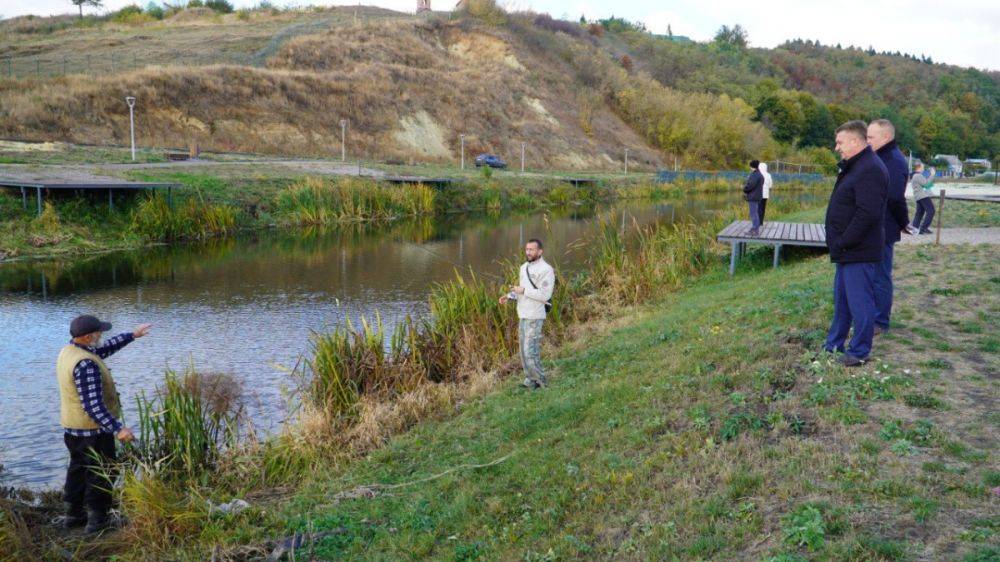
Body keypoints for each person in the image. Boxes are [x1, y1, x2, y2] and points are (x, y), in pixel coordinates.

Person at [57, 315, 152, 534]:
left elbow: (102, 351)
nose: (102, 335)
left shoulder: (69, 351)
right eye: (99, 332)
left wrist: (132, 336)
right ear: (89, 336)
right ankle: (97, 523)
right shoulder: (86, 365)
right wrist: (118, 428)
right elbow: (93, 406)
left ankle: (74, 516)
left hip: (72, 429)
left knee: (78, 469)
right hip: (93, 431)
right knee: (102, 472)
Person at [823, 120, 888, 367]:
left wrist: (843, 241)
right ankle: (833, 345)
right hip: (847, 250)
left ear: (855, 141)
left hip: (858, 250)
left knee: (860, 303)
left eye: (840, 142)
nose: (837, 147)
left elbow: (867, 214)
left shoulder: (870, 168)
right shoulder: (856, 165)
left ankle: (860, 351)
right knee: (842, 302)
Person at [867, 119, 910, 335]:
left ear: (886, 137)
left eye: (870, 137)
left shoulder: (893, 160)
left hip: (884, 227)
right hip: (874, 226)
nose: (867, 141)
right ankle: (870, 315)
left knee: (881, 275)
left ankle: (880, 321)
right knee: (872, 274)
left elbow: (895, 198)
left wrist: (904, 222)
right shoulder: (880, 156)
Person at [499, 238, 554, 389]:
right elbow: (522, 290)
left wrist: (523, 290)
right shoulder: (523, 267)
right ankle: (530, 380)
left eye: (532, 250)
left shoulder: (546, 270)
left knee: (531, 351)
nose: (528, 252)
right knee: (523, 351)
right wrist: (510, 296)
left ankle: (541, 382)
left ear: (540, 251)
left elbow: (544, 295)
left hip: (535, 315)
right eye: (527, 249)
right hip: (522, 314)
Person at [910, 163, 936, 234]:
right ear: (919, 167)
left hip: (918, 196)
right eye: (923, 167)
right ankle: (923, 229)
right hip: (922, 196)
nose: (924, 169)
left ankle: (915, 228)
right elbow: (926, 184)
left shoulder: (915, 175)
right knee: (931, 211)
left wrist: (930, 179)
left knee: (919, 213)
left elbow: (926, 185)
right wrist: (932, 174)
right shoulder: (918, 175)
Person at [742, 159, 764, 236]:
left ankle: (755, 231)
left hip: (753, 197)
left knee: (753, 214)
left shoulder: (755, 175)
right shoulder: (759, 174)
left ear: (752, 166)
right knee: (755, 213)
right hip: (757, 196)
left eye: (750, 166)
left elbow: (750, 185)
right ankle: (754, 229)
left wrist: (745, 189)